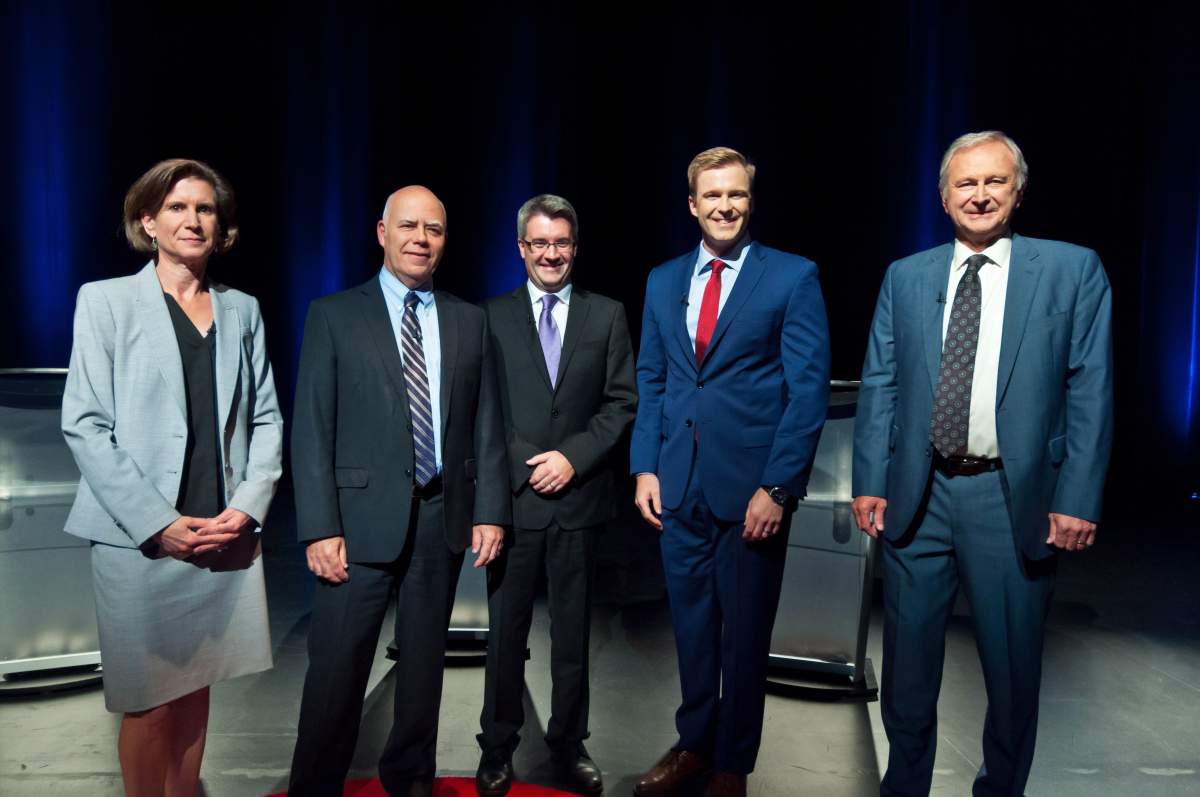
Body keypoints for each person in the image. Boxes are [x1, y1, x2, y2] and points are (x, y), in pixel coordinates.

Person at [851, 130, 1113, 796]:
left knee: (1012, 670)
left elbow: (1091, 386)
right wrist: (869, 481)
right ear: (943, 196)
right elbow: (880, 381)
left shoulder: (1071, 269)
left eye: (995, 181)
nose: (980, 194)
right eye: (966, 183)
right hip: (920, 495)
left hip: (1009, 496)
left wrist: (1077, 495)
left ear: (1018, 192)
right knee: (906, 672)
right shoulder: (906, 276)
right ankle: (902, 787)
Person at [61, 158, 283, 797]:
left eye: (206, 208)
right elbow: (85, 426)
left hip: (221, 535)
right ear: (147, 221)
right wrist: (158, 523)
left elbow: (266, 419)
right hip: (142, 542)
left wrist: (247, 506)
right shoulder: (105, 301)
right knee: (149, 704)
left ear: (222, 227)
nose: (193, 219)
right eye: (178, 207)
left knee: (193, 693)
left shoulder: (242, 310)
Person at [288, 185, 510, 797]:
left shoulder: (470, 320)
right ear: (381, 231)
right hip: (353, 527)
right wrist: (319, 526)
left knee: (422, 674)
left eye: (433, 229)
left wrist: (489, 510)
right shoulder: (333, 314)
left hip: (441, 519)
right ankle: (315, 787)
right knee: (336, 674)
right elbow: (311, 428)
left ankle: (409, 780)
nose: (421, 239)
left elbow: (486, 424)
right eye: (408, 226)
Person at [629, 147, 831, 797]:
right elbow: (653, 381)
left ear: (751, 199)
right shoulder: (663, 280)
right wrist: (644, 468)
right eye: (712, 196)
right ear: (692, 204)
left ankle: (731, 764)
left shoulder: (792, 277)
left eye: (736, 195)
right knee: (691, 631)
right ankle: (694, 744)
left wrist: (777, 487)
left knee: (743, 640)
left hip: (751, 494)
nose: (724, 206)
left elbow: (807, 392)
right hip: (678, 484)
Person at [475, 194, 637, 797]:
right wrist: (528, 463)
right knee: (505, 636)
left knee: (573, 637)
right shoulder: (489, 316)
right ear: (521, 248)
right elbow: (481, 406)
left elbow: (621, 402)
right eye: (539, 243)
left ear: (575, 247)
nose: (551, 253)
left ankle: (569, 744)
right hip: (513, 505)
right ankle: (496, 749)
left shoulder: (607, 314)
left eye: (561, 243)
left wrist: (573, 457)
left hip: (580, 500)